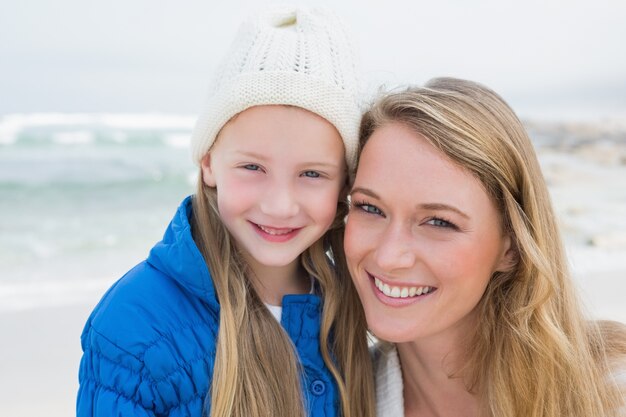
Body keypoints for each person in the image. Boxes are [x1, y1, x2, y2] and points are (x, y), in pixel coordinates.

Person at [77, 6, 375, 417]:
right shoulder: (135, 325)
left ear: (344, 182)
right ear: (208, 162)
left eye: (312, 173)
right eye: (252, 167)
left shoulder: (355, 305)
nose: (279, 205)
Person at [344, 77, 626, 417]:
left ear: (512, 247)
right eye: (370, 208)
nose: (389, 257)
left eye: (438, 222)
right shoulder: (334, 400)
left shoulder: (611, 388)